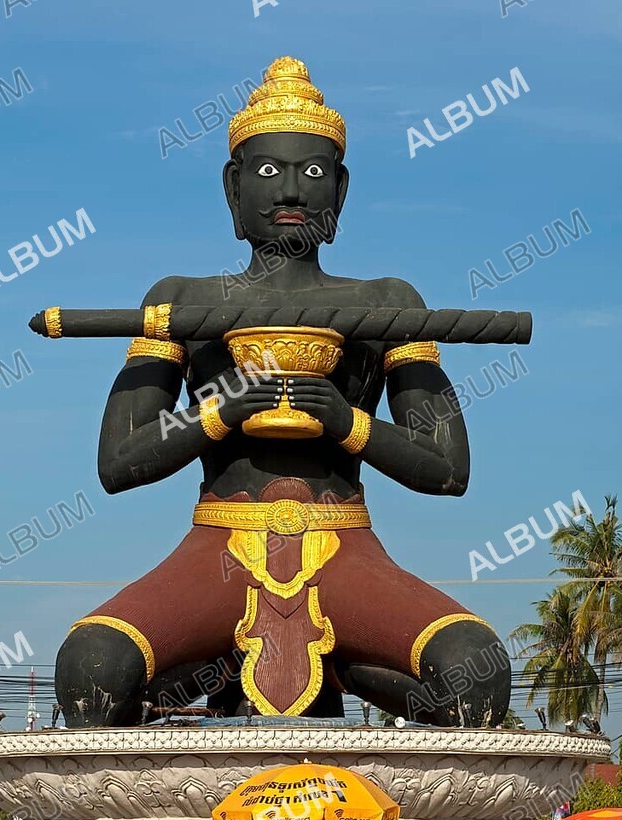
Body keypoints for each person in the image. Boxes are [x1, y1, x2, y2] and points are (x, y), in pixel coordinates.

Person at [54, 58, 510, 729]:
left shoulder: (385, 303)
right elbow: (119, 462)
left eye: (313, 171)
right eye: (267, 173)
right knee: (91, 666)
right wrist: (225, 409)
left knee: (480, 671)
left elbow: (448, 468)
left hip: (346, 550)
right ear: (233, 188)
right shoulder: (182, 301)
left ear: (341, 190)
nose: (291, 188)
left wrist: (346, 420)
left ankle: (348, 662)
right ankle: (196, 679)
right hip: (218, 551)